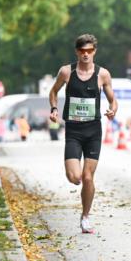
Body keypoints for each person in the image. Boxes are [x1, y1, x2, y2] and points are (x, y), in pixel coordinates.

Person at [48, 33, 117, 234]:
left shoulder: (102, 74)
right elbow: (53, 92)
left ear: (94, 51)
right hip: (74, 131)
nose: (86, 54)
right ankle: (80, 190)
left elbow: (113, 99)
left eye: (89, 51)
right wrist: (54, 109)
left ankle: (85, 216)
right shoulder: (66, 72)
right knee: (74, 176)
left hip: (93, 130)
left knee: (87, 177)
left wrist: (113, 110)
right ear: (77, 52)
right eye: (82, 51)